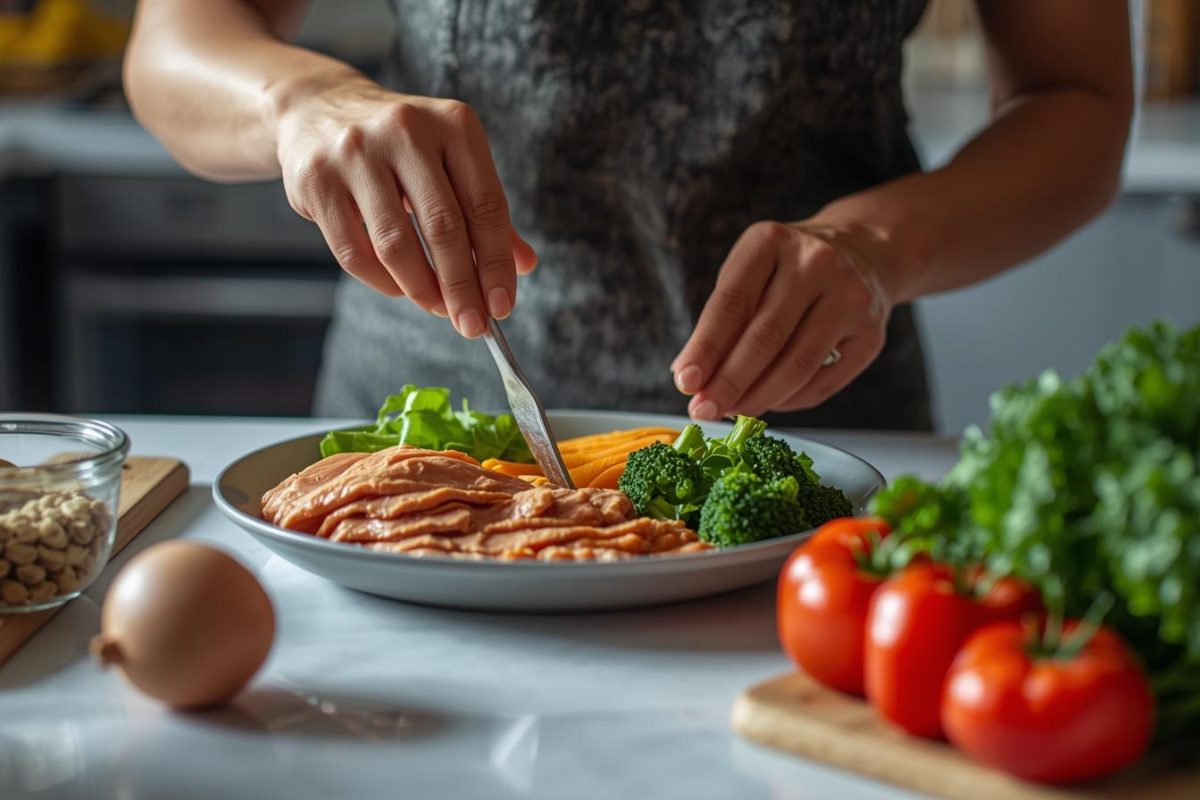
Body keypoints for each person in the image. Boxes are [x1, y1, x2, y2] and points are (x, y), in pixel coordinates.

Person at [123, 1, 1132, 430]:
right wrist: (297, 102)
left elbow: (1075, 101)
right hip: (425, 426)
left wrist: (874, 246)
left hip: (820, 441)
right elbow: (176, 36)